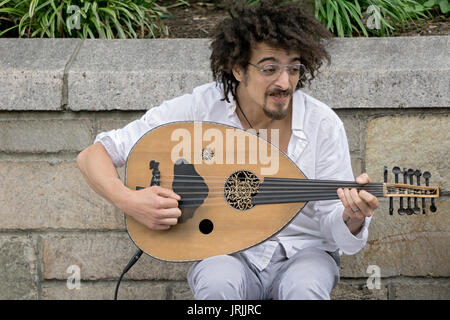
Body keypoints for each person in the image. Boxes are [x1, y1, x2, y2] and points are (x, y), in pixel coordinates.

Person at [77, 0, 379, 300]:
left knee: (305, 290)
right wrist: (129, 200)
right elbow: (93, 155)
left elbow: (337, 230)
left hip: (305, 253)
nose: (285, 82)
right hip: (227, 251)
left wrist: (352, 217)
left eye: (293, 68)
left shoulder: (322, 124)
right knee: (217, 283)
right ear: (237, 69)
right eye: (270, 68)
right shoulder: (201, 109)